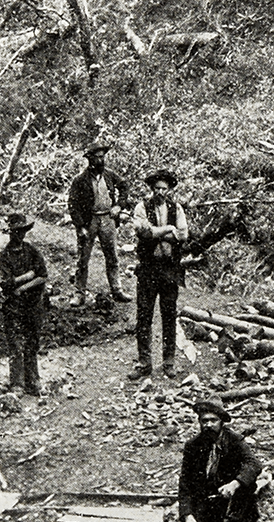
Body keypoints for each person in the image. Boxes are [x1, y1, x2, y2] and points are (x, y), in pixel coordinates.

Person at [163, 398, 262, 522]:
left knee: (247, 485)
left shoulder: (234, 441)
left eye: (213, 420)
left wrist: (234, 484)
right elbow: (185, 483)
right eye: (204, 421)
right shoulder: (193, 446)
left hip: (232, 504)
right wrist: (187, 515)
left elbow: (254, 464)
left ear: (221, 421)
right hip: (205, 505)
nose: (208, 425)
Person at [131, 169, 190, 380]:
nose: (160, 192)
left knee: (169, 315)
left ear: (170, 190)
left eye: (164, 189)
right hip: (148, 268)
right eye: (157, 188)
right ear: (151, 189)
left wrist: (159, 231)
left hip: (169, 269)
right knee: (144, 316)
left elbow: (183, 235)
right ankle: (144, 363)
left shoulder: (177, 208)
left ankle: (169, 362)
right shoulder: (141, 207)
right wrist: (168, 229)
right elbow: (144, 233)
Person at [66, 143, 130, 308]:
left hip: (108, 219)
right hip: (90, 221)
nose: (101, 160)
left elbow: (124, 187)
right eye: (97, 157)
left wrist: (119, 206)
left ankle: (117, 290)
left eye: (102, 157)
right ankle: (79, 293)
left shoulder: (109, 175)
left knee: (112, 256)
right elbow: (72, 204)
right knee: (83, 258)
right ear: (89, 159)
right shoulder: (80, 180)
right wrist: (80, 226)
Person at [0, 214, 50, 396]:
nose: (19, 235)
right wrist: (28, 275)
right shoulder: (4, 256)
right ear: (10, 233)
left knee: (32, 341)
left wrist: (24, 284)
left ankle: (33, 380)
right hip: (13, 305)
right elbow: (6, 283)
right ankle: (17, 383)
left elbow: (42, 275)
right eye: (16, 232)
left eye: (22, 231)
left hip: (33, 302)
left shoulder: (32, 251)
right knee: (15, 343)